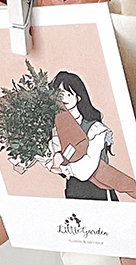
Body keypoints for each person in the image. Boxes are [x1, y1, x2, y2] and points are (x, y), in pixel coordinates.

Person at [44, 71, 119, 201]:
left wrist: (63, 167)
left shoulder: (95, 128)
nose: (64, 99)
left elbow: (88, 166)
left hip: (98, 188)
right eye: (60, 94)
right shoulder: (56, 128)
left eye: (68, 94)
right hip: (74, 189)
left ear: (78, 97)